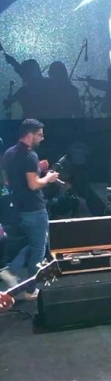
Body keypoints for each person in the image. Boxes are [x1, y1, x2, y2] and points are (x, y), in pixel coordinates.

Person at [0, 119, 60, 299]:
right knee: (39, 249)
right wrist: (48, 178)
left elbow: (8, 180)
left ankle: (11, 270)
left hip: (19, 207)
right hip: (35, 208)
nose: (42, 138)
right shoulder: (30, 155)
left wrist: (37, 168)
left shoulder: (10, 153)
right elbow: (33, 185)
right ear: (29, 135)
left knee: (35, 243)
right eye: (39, 135)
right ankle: (30, 289)